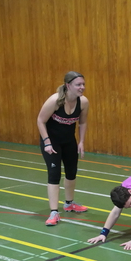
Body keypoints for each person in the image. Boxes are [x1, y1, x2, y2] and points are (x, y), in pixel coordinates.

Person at [36, 71, 90, 227]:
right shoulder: (55, 101)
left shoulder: (83, 102)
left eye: (83, 84)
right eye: (78, 84)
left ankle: (69, 203)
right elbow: (40, 120)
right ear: (68, 85)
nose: (82, 87)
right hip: (52, 142)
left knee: (71, 172)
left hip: (69, 141)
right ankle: (54, 212)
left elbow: (82, 122)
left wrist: (81, 141)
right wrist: (47, 142)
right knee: (54, 174)